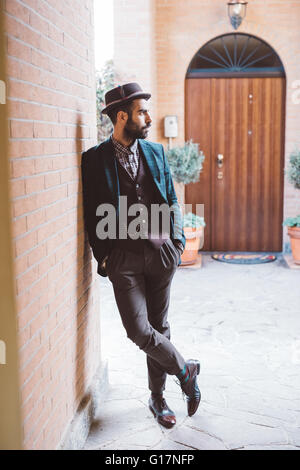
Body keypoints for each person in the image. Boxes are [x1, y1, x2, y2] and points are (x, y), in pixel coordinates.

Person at [81, 82, 201, 428]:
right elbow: (92, 213)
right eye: (141, 112)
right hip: (123, 260)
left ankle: (158, 397)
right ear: (122, 116)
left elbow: (173, 200)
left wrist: (176, 244)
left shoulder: (156, 152)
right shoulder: (94, 160)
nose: (148, 118)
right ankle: (185, 369)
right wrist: (104, 258)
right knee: (138, 329)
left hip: (161, 254)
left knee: (160, 326)